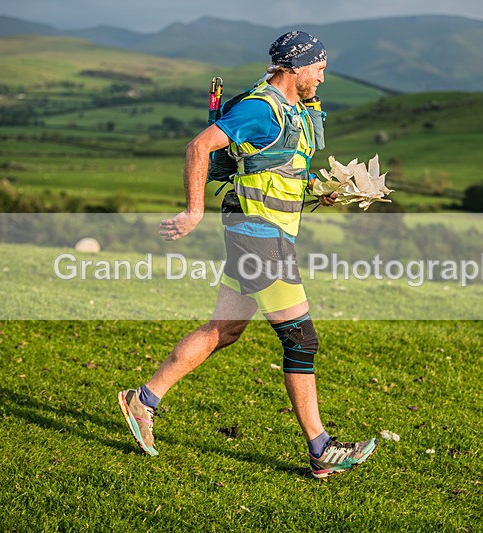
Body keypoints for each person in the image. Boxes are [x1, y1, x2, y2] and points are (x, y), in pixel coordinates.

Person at [118, 30, 377, 479]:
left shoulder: (295, 109)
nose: (322, 76)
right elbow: (199, 147)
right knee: (301, 339)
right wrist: (193, 210)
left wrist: (320, 191)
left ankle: (143, 400)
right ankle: (320, 449)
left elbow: (274, 169)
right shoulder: (260, 108)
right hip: (257, 236)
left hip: (260, 231)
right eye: (318, 68)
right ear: (294, 68)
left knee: (225, 329)